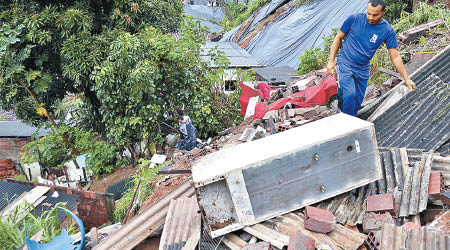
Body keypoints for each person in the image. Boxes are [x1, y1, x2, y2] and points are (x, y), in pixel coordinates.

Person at [326, 0, 416, 117]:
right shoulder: (354, 19)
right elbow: (338, 38)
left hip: (362, 68)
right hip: (345, 63)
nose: (371, 17)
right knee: (348, 95)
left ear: (384, 12)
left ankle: (348, 120)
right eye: (368, 13)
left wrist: (406, 79)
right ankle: (344, 124)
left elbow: (395, 56)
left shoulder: (387, 30)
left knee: (357, 103)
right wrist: (331, 61)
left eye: (375, 15)